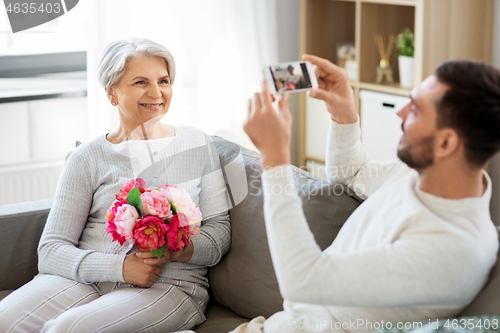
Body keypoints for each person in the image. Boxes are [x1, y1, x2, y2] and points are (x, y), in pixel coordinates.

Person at [238, 55, 500, 333]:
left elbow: (302, 282)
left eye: (416, 110)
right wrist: (344, 113)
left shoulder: (452, 249)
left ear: (446, 143)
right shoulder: (424, 174)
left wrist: (274, 159)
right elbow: (351, 173)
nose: (400, 111)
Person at [0, 38, 231, 332]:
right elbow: (51, 250)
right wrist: (120, 268)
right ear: (111, 92)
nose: (156, 92)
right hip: (87, 279)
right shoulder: (87, 157)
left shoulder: (197, 144)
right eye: (140, 82)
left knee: (69, 329)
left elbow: (219, 236)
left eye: (163, 80)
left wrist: (173, 251)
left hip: (168, 284)